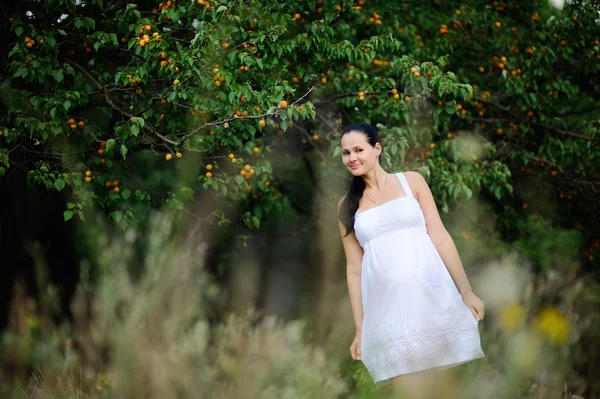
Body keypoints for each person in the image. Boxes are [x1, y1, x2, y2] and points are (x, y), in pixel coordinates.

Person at [337, 123, 485, 395]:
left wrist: (467, 291)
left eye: (359, 149)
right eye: (346, 153)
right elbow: (354, 270)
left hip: (431, 297)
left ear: (377, 149)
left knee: (445, 389)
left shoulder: (412, 181)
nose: (352, 158)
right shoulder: (346, 205)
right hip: (386, 311)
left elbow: (440, 236)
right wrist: (361, 328)